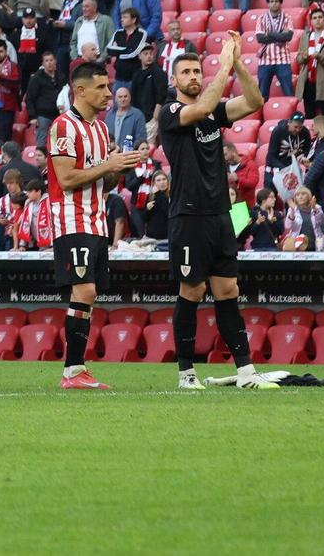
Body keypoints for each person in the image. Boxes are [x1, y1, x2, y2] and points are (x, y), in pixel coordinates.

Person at [157, 34, 275, 390]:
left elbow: (256, 100)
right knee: (191, 291)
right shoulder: (171, 113)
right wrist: (221, 65)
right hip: (188, 216)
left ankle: (245, 373)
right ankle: (186, 374)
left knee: (228, 290)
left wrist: (237, 61)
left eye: (197, 70)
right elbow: (202, 108)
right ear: (174, 81)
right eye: (187, 72)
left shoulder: (212, 115)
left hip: (220, 215)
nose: (194, 76)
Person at [46, 62, 150, 389]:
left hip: (96, 219)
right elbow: (65, 179)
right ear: (80, 90)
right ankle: (72, 371)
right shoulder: (64, 127)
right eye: (102, 87)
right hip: (70, 217)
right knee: (85, 290)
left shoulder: (102, 129)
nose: (108, 93)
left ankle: (76, 370)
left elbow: (104, 180)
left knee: (89, 294)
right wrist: (109, 164)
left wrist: (122, 166)